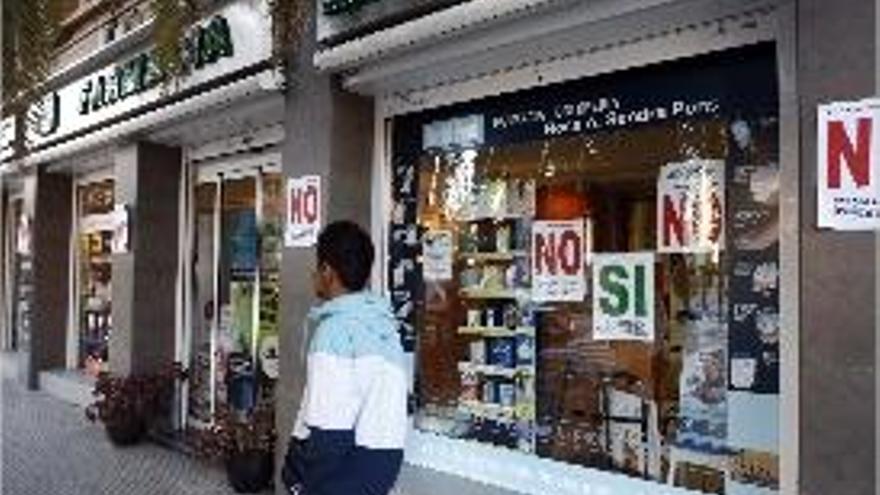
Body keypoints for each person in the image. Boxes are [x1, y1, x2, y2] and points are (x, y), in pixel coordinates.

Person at [283, 221, 407, 495]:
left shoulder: (334, 331)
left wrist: (302, 483)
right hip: (381, 470)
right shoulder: (385, 326)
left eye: (317, 267)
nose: (313, 274)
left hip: (340, 477)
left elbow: (328, 431)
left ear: (327, 271)